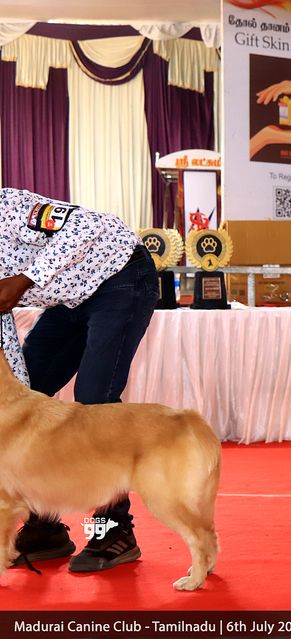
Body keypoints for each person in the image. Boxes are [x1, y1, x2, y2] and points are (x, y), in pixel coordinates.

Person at [0, 188, 159, 572]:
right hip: (70, 298)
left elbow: (86, 227)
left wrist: (24, 278)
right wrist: (20, 385)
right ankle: (45, 526)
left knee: (95, 400)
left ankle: (114, 530)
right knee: (28, 399)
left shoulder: (8, 208)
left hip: (121, 275)